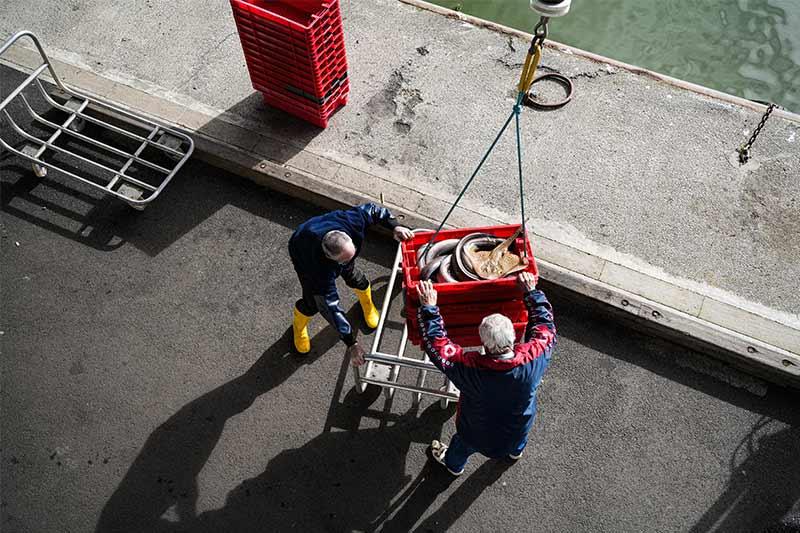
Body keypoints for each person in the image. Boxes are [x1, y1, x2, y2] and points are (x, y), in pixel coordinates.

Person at [416, 272, 556, 475]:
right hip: (518, 429)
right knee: (517, 441)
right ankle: (515, 453)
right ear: (514, 336)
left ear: (484, 344)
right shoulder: (534, 359)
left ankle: (453, 466)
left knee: (460, 448)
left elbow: (438, 346)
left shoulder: (470, 371)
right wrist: (532, 293)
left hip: (474, 434)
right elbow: (546, 328)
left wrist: (429, 308)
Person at [288, 203, 414, 364]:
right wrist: (351, 343)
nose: (350, 259)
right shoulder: (318, 270)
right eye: (344, 260)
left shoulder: (351, 221)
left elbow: (374, 210)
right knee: (312, 302)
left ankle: (366, 303)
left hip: (335, 250)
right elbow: (330, 307)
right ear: (330, 258)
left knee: (355, 278)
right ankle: (298, 327)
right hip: (302, 252)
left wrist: (394, 226)